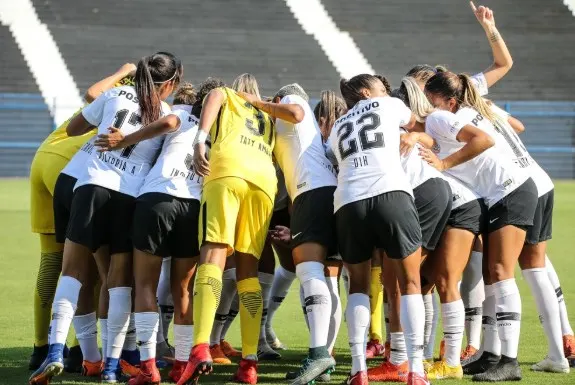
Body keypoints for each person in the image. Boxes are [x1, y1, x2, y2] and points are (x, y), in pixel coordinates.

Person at [29, 52, 181, 385]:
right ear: (169, 84)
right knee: (119, 281)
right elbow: (170, 128)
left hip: (91, 187)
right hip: (129, 198)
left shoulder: (114, 94)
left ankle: (55, 352)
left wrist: (111, 127)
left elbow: (73, 128)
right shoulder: (167, 113)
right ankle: (111, 367)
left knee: (72, 272)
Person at [423, 70, 539, 382]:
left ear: (448, 101)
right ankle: (490, 355)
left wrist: (444, 163)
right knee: (490, 275)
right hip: (499, 194)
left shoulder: (449, 117)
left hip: (510, 192)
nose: (427, 106)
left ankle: (510, 360)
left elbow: (485, 141)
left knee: (500, 273)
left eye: (431, 100)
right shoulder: (464, 112)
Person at [27, 63, 136, 373]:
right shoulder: (131, 101)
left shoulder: (108, 98)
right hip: (80, 168)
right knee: (98, 265)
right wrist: (124, 71)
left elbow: (91, 93)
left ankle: (41, 347)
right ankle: (83, 350)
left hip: (46, 158)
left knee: (53, 261)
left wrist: (119, 71)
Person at [327, 74, 427, 385]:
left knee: (357, 284)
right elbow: (420, 126)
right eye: (381, 88)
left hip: (347, 201)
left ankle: (358, 369)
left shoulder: (336, 125)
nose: (387, 91)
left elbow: (335, 157)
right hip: (390, 193)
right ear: (369, 92)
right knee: (411, 282)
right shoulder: (389, 104)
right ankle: (417, 371)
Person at [177, 74, 277, 385]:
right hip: (263, 185)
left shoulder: (226, 94)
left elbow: (215, 98)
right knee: (248, 273)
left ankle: (200, 347)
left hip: (227, 172)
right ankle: (249, 362)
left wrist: (199, 140)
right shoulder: (268, 116)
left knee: (212, 258)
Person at [236, 83, 338, 384]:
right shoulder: (292, 135)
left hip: (313, 191)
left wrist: (258, 101)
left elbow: (293, 110)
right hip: (319, 192)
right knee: (328, 274)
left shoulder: (292, 102)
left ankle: (319, 355)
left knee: (310, 274)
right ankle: (324, 361)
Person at [486, 103, 570, 373]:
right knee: (539, 266)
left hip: (519, 186)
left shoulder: (460, 117)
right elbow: (519, 126)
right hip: (540, 179)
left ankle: (556, 355)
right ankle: (561, 348)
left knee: (525, 269)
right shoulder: (484, 106)